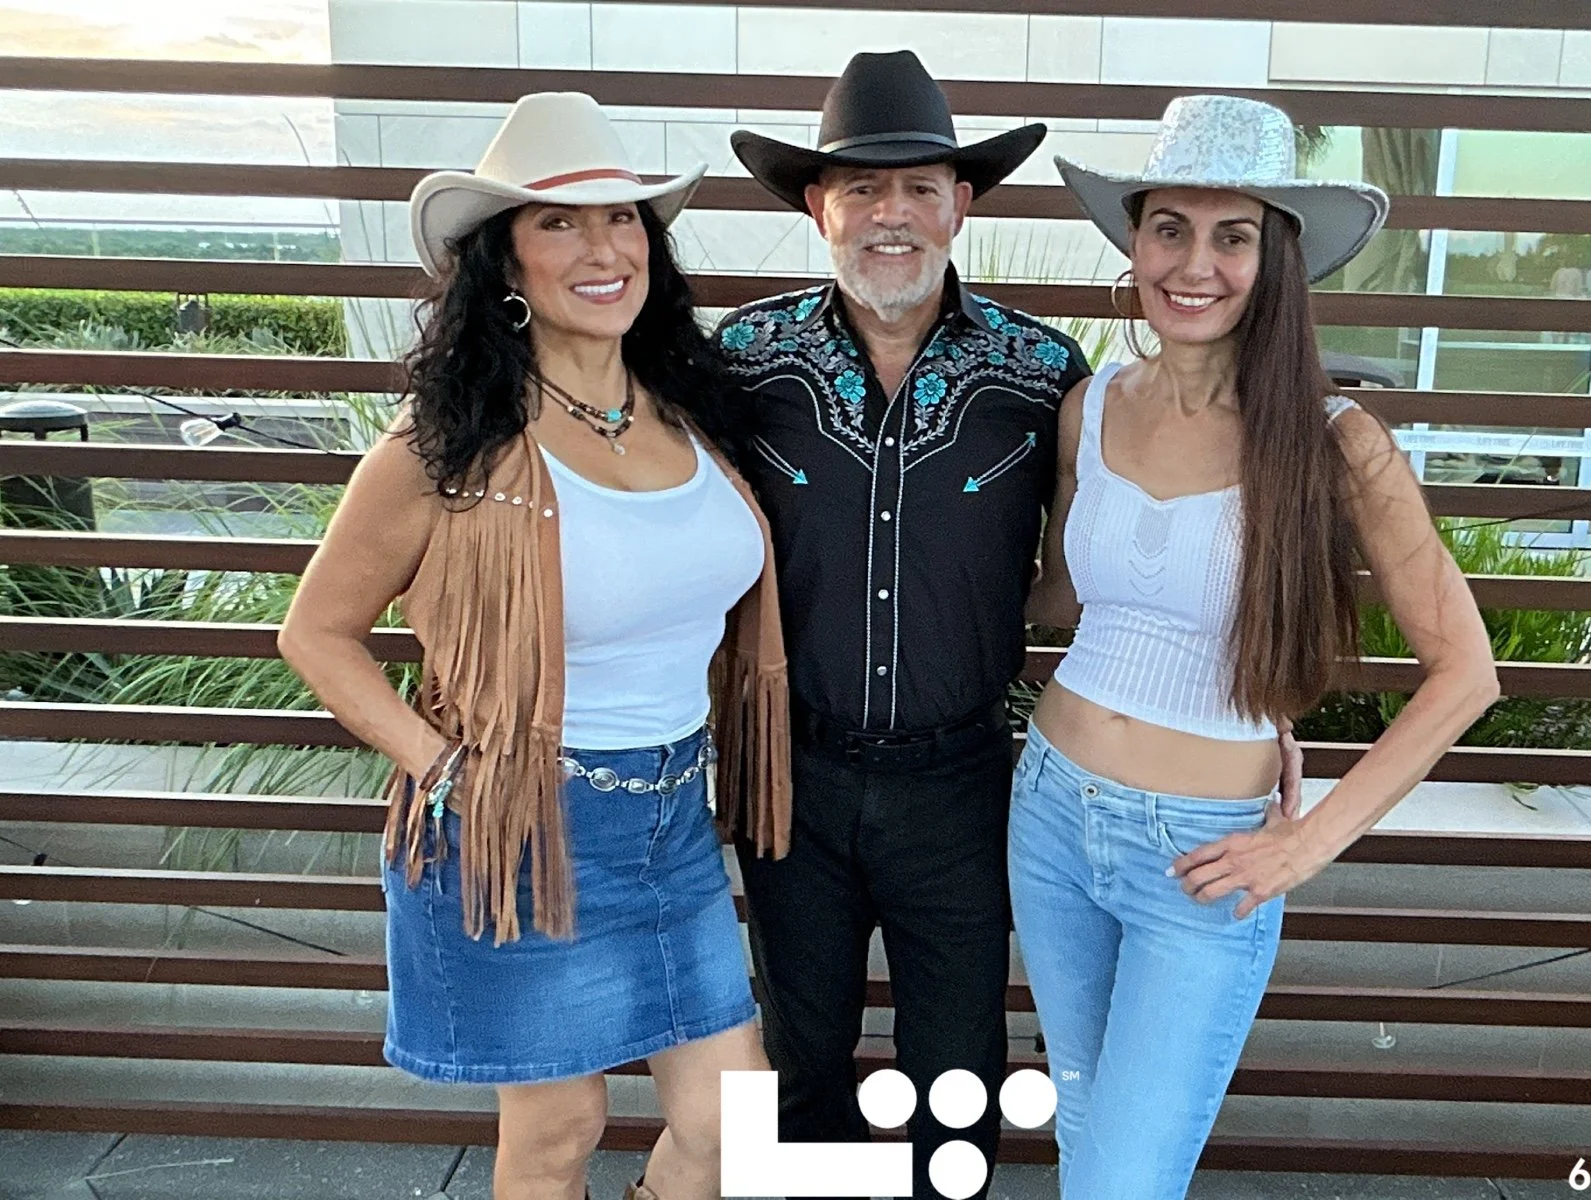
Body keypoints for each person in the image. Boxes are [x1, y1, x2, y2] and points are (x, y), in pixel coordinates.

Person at [277, 92, 791, 1200]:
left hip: (673, 821)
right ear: (503, 263)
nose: (602, 248)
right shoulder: (444, 447)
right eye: (559, 223)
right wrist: (442, 768)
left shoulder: (691, 412)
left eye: (622, 221)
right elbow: (317, 633)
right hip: (521, 825)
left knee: (732, 1123)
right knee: (560, 1129)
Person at [1014, 95, 1501, 1198]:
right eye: (1170, 228)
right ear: (1134, 242)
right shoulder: (1086, 409)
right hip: (1048, 815)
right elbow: (1067, 596)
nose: (1196, 263)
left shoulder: (1338, 443)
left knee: (1119, 1183)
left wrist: (1306, 844)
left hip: (1205, 859)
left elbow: (1466, 672)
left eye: (1233, 235)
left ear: (1275, 258)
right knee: (1086, 1142)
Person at [712, 50, 1090, 1199]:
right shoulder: (739, 360)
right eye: (861, 190)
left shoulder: (1043, 373)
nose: (891, 215)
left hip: (962, 784)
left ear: (961, 206)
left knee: (958, 1069)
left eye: (920, 187)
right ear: (816, 207)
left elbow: (1083, 569)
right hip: (794, 776)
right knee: (798, 1056)